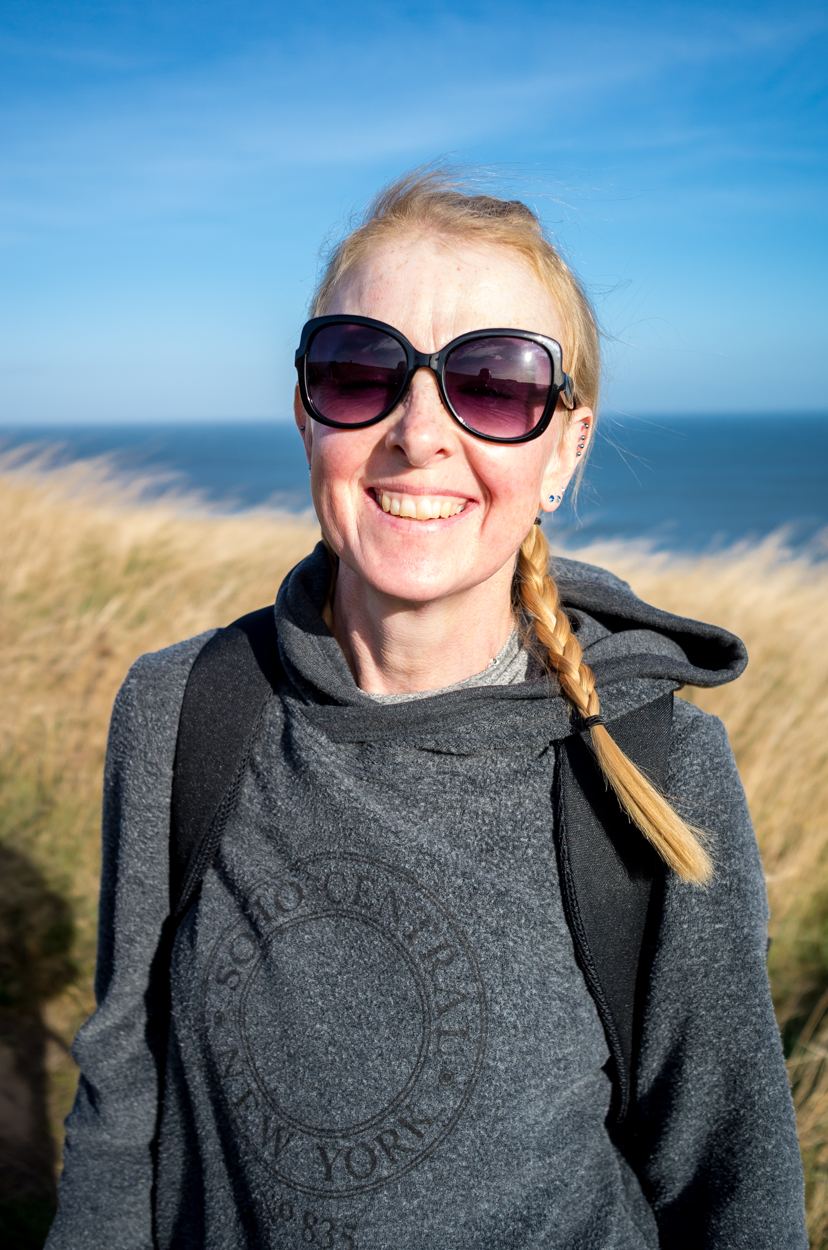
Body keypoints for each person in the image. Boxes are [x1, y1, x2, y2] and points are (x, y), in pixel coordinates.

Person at [47, 170, 807, 1250]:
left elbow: (732, 1184)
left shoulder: (659, 768)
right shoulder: (179, 709)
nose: (418, 431)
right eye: (361, 370)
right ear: (306, 408)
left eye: (493, 385)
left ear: (564, 450)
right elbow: (124, 1098)